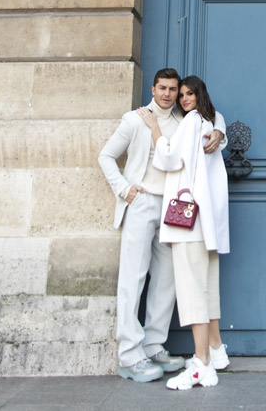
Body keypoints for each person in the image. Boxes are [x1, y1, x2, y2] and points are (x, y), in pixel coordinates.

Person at [98, 68, 226, 382]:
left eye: (175, 89)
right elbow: (106, 156)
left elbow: (211, 116)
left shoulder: (185, 119)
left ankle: (154, 346)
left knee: (168, 279)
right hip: (142, 201)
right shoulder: (135, 119)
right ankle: (130, 355)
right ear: (153, 89)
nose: (170, 94)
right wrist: (124, 189)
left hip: (174, 209)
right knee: (134, 277)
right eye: (164, 89)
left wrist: (220, 131)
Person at [138, 75, 230, 390]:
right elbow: (216, 123)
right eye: (183, 95)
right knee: (208, 286)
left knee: (192, 293)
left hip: (188, 223)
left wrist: (154, 129)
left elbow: (167, 156)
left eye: (189, 94)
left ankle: (201, 364)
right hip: (208, 223)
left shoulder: (192, 121)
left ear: (198, 94)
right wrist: (220, 128)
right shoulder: (209, 120)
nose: (184, 99)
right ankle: (216, 351)